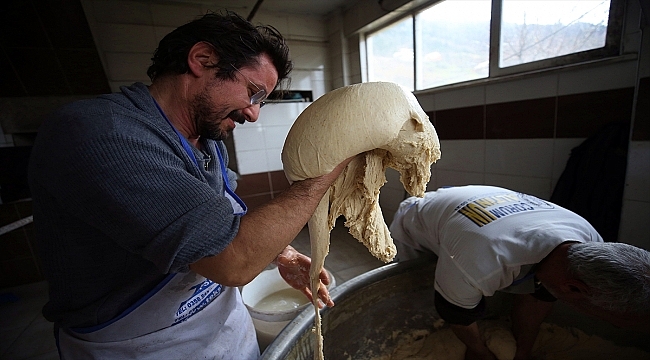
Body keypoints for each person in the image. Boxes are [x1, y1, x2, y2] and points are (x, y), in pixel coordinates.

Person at [28, 11, 349, 359]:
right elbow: (231, 262)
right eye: (253, 93)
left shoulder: (206, 141)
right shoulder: (101, 133)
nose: (253, 113)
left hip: (223, 322)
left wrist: (280, 253)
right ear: (202, 59)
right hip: (139, 344)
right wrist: (324, 175)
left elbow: (219, 221)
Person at [389, 185, 650, 360]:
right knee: (419, 291)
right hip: (418, 217)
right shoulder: (482, 261)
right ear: (574, 288)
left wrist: (522, 353)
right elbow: (456, 314)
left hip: (478, 215)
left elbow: (543, 293)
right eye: (614, 321)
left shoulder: (589, 242)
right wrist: (481, 354)